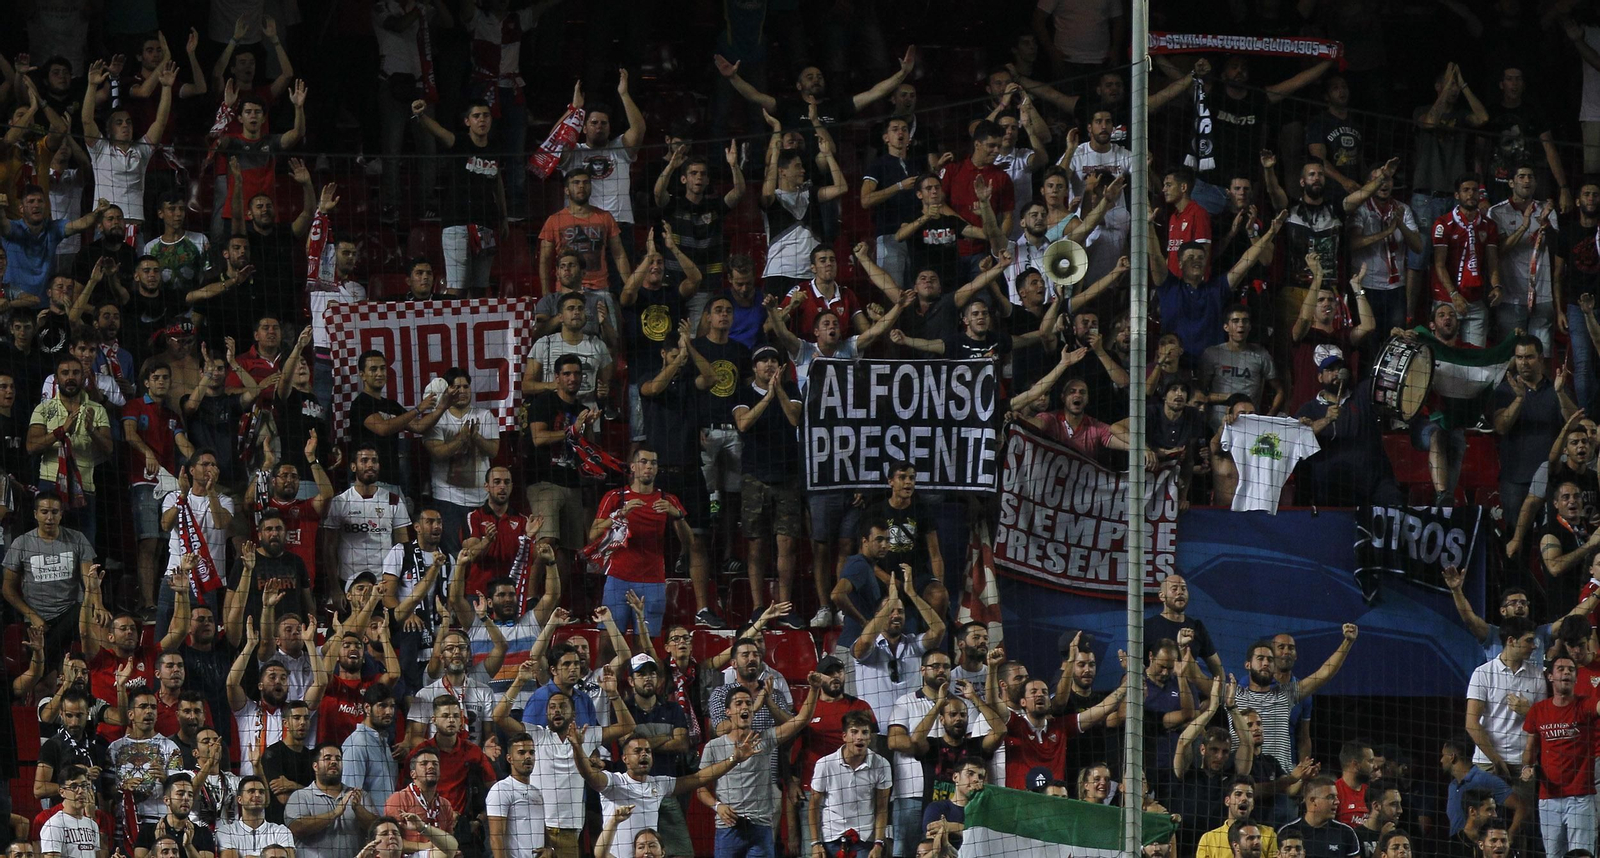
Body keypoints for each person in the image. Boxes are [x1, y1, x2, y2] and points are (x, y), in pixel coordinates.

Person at [697, 676, 822, 858]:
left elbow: (801, 721)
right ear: (728, 712)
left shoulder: (765, 739)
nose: (745, 707)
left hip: (760, 828)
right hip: (728, 828)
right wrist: (717, 806)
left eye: (748, 703)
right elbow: (700, 788)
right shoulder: (714, 747)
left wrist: (814, 689)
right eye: (738, 703)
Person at [412, 100, 504, 297]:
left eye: (486, 115)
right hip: (457, 223)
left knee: (481, 287)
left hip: (486, 223)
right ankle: (453, 327)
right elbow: (439, 132)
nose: (482, 120)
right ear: (467, 121)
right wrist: (421, 115)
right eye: (476, 116)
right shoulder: (460, 142)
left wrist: (503, 218)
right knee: (457, 287)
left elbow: (498, 184)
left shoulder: (495, 148)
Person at [1232, 632, 1359, 774]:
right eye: (1281, 647)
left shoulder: (1290, 694)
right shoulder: (1240, 687)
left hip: (1280, 771)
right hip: (1246, 769)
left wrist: (1348, 641)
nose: (1286, 651)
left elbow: (1324, 673)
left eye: (1291, 648)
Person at [1493, 336, 1578, 539]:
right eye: (1519, 357)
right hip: (1515, 480)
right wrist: (1519, 398)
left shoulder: (1557, 389)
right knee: (1516, 542)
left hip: (1552, 481)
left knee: (1554, 539)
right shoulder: (1505, 390)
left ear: (1540, 358)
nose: (1523, 362)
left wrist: (1560, 393)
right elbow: (1501, 427)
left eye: (1529, 357)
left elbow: (1575, 424)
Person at [26, 354, 114, 544]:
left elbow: (109, 449)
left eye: (75, 372)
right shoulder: (43, 409)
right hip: (50, 486)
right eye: (65, 373)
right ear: (56, 379)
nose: (70, 377)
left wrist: (92, 431)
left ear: (83, 377)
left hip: (85, 487)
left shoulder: (97, 409)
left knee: (84, 548)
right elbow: (31, 446)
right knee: (49, 548)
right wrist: (60, 431)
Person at [4, 491, 95, 660]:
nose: (49, 517)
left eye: (54, 512)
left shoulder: (77, 539)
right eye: (44, 512)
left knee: (88, 615)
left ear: (61, 514)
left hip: (72, 613)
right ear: (35, 514)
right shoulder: (21, 544)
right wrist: (32, 616)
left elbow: (90, 580)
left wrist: (99, 606)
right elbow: (7, 589)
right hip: (37, 617)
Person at [421, 369, 500, 557]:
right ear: (448, 391)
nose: (462, 390)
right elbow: (437, 453)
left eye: (466, 386)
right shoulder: (437, 419)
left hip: (480, 500)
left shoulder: (485, 415)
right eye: (456, 387)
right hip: (448, 499)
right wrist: (461, 439)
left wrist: (475, 437)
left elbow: (494, 450)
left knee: (483, 554)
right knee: (454, 555)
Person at [321, 446, 413, 598]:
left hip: (384, 584)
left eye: (374, 461)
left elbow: (402, 547)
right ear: (353, 466)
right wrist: (335, 588)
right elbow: (329, 549)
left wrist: (398, 583)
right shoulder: (340, 502)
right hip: (349, 584)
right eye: (364, 460)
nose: (370, 465)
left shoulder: (393, 500)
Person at [1487, 166, 1559, 350]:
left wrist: (1546, 225)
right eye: (1521, 176)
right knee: (1510, 354)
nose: (1527, 180)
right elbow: (1497, 252)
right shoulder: (1496, 212)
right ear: (1511, 183)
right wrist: (1524, 226)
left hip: (1542, 295)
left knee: (1541, 355)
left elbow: (1558, 248)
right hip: (1510, 297)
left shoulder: (1547, 210)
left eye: (1530, 176)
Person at [1466, 617, 1546, 780]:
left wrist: (1529, 712)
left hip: (1523, 765)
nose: (1534, 646)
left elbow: (1544, 721)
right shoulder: (1482, 673)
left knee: (1523, 807)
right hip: (1487, 762)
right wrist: (1496, 760)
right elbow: (1471, 723)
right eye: (1529, 640)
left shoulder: (1538, 675)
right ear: (1511, 641)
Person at [1427, 175, 1504, 346]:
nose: (1471, 194)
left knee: (1474, 358)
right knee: (1443, 356)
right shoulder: (1443, 224)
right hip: (1447, 301)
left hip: (1475, 301)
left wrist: (1496, 286)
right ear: (1456, 195)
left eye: (1475, 190)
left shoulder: (1488, 225)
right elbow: (1439, 265)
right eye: (1466, 190)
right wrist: (1454, 295)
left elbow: (1492, 262)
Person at [808, 710, 893, 858]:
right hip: (831, 838)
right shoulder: (825, 764)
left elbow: (882, 808)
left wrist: (878, 843)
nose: (860, 737)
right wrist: (816, 843)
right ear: (844, 736)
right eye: (854, 732)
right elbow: (814, 806)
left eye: (865, 732)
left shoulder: (881, 764)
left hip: (865, 839)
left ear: (869, 737)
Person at [538, 168, 631, 293]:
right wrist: (546, 294)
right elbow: (545, 260)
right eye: (576, 183)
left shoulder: (605, 217)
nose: (581, 186)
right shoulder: (554, 220)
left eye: (586, 182)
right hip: (567, 289)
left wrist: (630, 287)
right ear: (566, 190)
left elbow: (619, 254)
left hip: (600, 288)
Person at [1198, 306, 1282, 431]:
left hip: (1250, 426)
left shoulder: (1261, 354)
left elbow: (1279, 391)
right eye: (1235, 321)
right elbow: (1201, 392)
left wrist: (1269, 416)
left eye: (1245, 321)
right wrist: (1229, 397)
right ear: (1226, 327)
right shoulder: (1212, 354)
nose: (1241, 325)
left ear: (1250, 326)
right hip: (1216, 425)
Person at [284, 743, 375, 858]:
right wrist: (334, 813)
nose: (333, 762)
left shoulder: (359, 795)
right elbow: (296, 828)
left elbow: (377, 829)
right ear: (315, 766)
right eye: (327, 758)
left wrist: (359, 810)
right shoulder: (300, 796)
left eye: (338, 759)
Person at [215, 776, 295, 858]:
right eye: (251, 791)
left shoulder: (281, 831)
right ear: (239, 799)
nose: (257, 795)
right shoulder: (226, 831)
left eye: (261, 792)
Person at [1281, 777, 1362, 858]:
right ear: (1313, 801)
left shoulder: (1346, 832)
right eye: (1330, 797)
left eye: (1336, 797)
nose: (1337, 801)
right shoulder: (1288, 830)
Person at [39, 765, 101, 858]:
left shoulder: (92, 825)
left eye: (84, 786)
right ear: (62, 792)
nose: (81, 791)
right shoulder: (54, 825)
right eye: (74, 786)